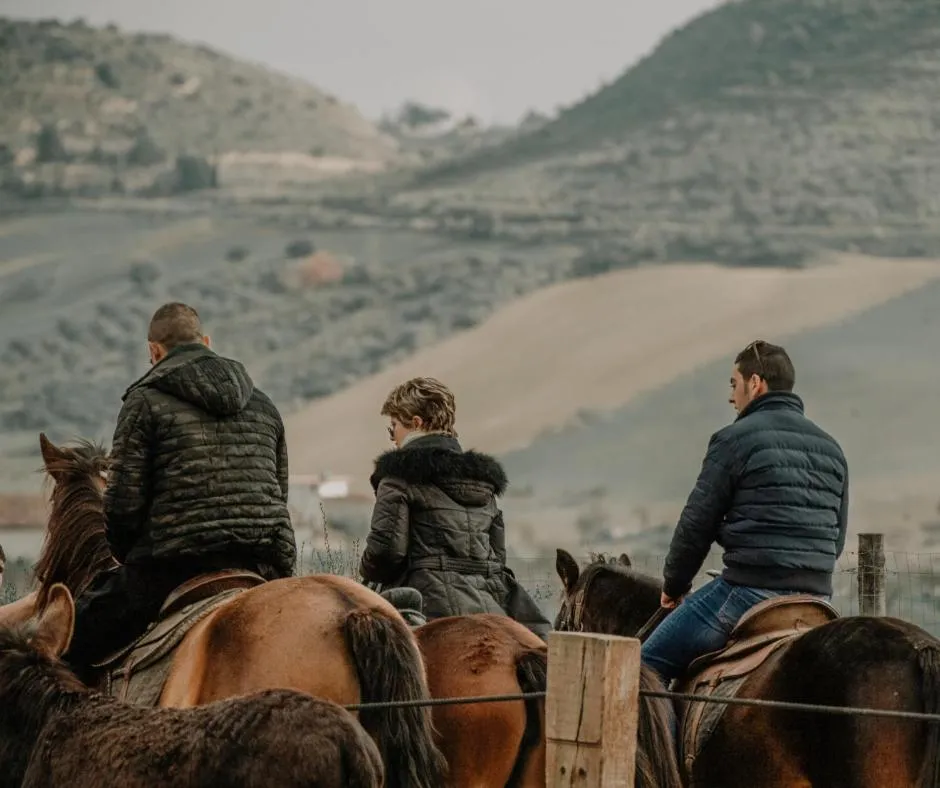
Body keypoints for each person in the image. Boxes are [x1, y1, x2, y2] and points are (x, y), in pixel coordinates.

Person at [64, 302, 296, 677]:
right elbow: (279, 489)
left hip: (175, 565)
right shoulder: (264, 405)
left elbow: (123, 505)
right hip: (263, 563)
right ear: (206, 341)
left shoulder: (144, 401)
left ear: (153, 352)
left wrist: (130, 557)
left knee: (67, 648)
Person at [641, 340, 849, 685]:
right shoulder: (832, 448)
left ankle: (673, 740)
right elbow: (837, 539)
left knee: (642, 672)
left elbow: (697, 524)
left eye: (734, 383)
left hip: (747, 594)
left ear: (756, 383)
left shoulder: (734, 439)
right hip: (817, 601)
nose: (731, 396)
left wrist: (674, 584)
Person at [359, 377, 551, 638]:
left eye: (393, 427)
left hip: (427, 603)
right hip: (493, 604)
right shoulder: (483, 482)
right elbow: (498, 556)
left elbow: (386, 553)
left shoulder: (398, 478)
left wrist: (365, 575)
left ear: (416, 423)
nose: (393, 438)